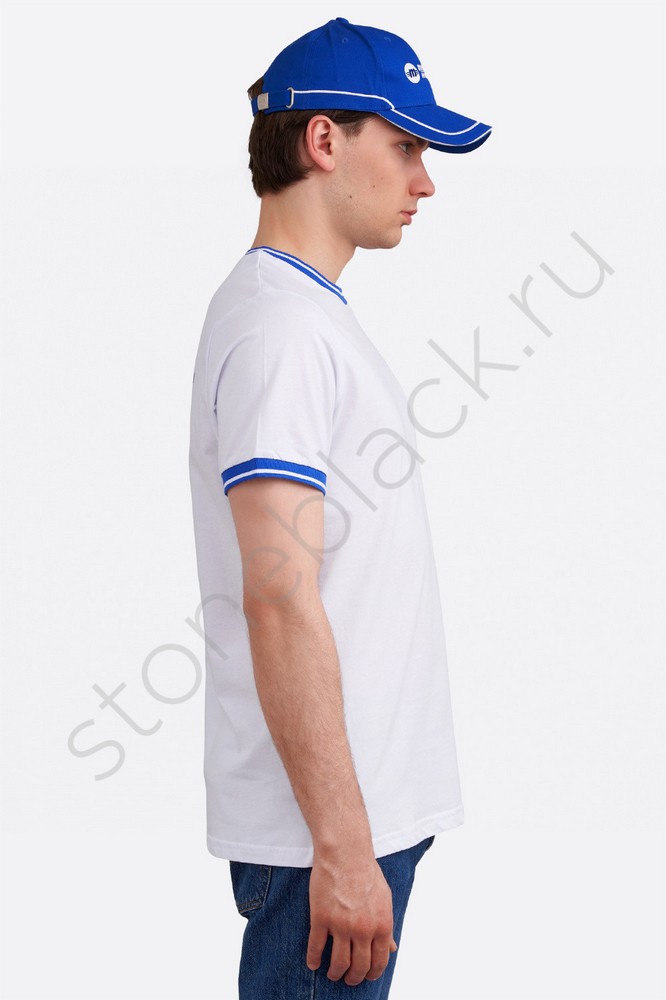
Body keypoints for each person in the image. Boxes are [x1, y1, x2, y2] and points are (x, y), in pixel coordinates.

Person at [188, 16, 491, 998]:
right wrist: (344, 846)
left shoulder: (304, 316)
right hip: (324, 841)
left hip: (352, 824)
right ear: (324, 140)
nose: (424, 180)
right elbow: (279, 596)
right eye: (405, 147)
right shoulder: (280, 330)